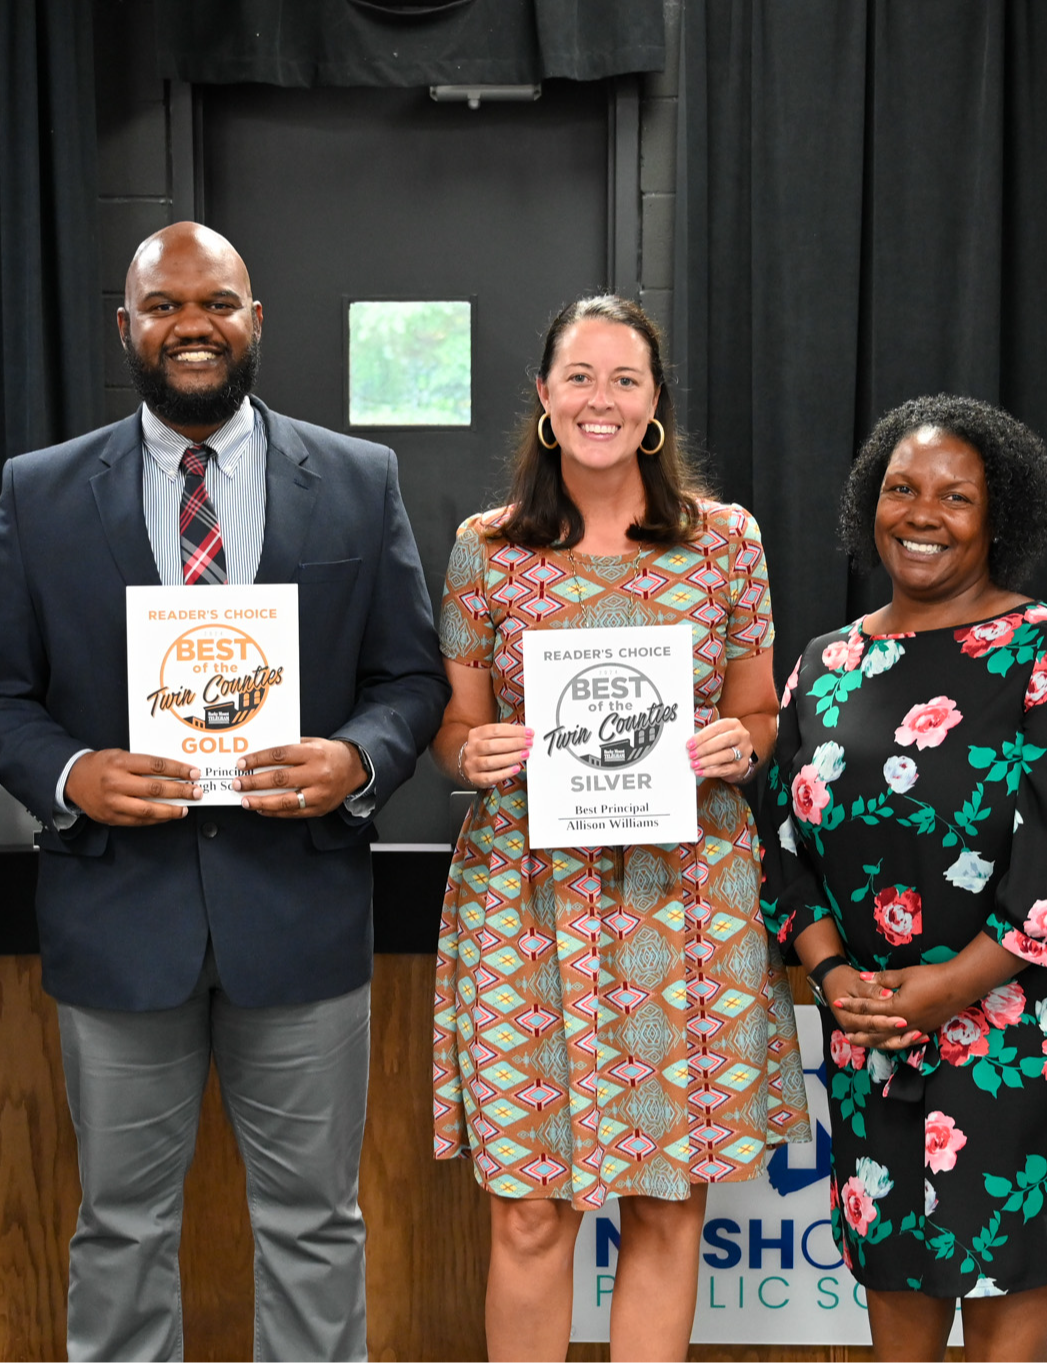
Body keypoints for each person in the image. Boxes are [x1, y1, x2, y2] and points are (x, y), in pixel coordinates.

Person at [0, 221, 447, 1361]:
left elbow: (410, 676)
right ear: (124, 326)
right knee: (120, 1227)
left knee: (313, 1226)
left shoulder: (354, 476)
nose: (193, 326)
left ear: (255, 321)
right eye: (165, 305)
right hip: (117, 916)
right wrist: (73, 772)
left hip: (298, 912)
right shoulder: (37, 493)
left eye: (217, 304)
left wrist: (356, 760)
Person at [431, 295, 810, 1363]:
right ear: (546, 401)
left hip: (684, 895)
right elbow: (454, 730)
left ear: (653, 409)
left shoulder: (724, 540)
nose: (601, 399)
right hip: (527, 905)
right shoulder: (486, 550)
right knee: (527, 1206)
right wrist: (474, 754)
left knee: (664, 1198)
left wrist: (740, 744)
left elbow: (757, 714)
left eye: (625, 380)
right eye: (580, 377)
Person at [759, 394, 1047, 1363]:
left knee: (1012, 1285)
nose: (921, 513)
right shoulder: (823, 663)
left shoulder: (1038, 651)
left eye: (954, 496)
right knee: (896, 1295)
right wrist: (838, 981)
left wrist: (948, 989)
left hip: (1012, 1040)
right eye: (900, 489)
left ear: (996, 515)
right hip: (872, 1038)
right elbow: (781, 845)